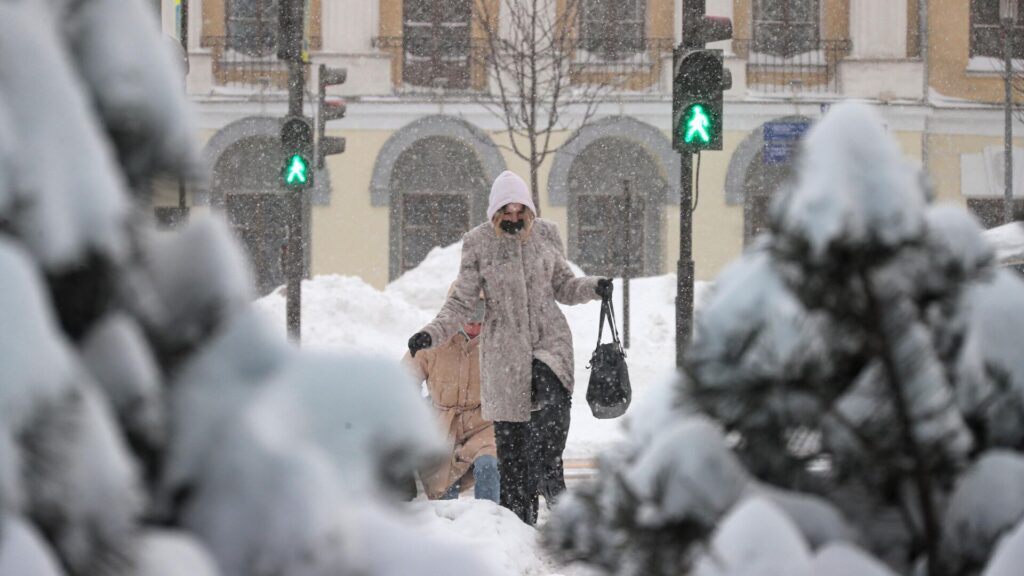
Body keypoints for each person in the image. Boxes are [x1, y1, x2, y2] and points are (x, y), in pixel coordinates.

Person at [407, 170, 612, 524]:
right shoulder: (478, 243)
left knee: (549, 401)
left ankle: (550, 467)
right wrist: (432, 333)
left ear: (530, 210)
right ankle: (520, 524)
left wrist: (593, 287)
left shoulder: (546, 235)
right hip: (503, 350)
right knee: (513, 451)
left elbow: (563, 284)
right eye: (507, 211)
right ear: (495, 212)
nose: (515, 217)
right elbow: (461, 301)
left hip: (549, 339)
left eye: (521, 211)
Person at [403, 292, 499, 503]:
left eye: (480, 322)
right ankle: (447, 529)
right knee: (443, 490)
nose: (475, 328)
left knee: (488, 465)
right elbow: (405, 381)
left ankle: (492, 521)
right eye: (470, 321)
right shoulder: (431, 340)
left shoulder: (498, 340)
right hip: (442, 427)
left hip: (483, 423)